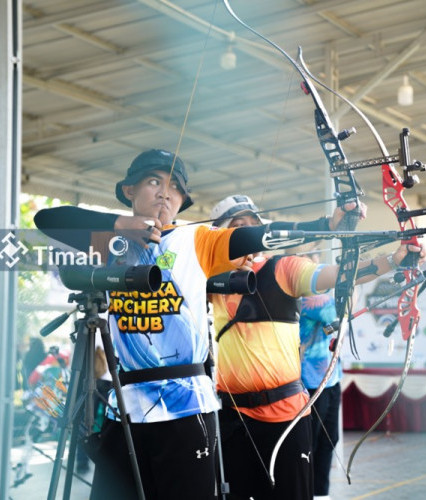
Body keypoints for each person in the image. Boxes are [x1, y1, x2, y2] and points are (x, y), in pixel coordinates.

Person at [34, 149, 321, 500]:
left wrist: (327, 226)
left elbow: (256, 237)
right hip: (124, 408)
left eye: (174, 187)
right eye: (153, 181)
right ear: (129, 191)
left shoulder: (195, 240)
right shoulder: (111, 243)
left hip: (186, 408)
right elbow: (47, 218)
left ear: (182, 200)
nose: (163, 193)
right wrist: (120, 225)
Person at [209, 194, 426, 500]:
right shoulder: (206, 280)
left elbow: (338, 276)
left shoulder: (283, 268)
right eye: (237, 226)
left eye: (253, 226)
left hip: (285, 415)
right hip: (232, 418)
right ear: (218, 236)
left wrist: (392, 260)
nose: (247, 233)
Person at [299, 248, 341, 500]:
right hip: (311, 383)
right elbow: (340, 310)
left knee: (329, 440)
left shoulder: (322, 297)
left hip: (330, 378)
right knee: (311, 445)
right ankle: (309, 493)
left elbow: (335, 324)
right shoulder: (310, 299)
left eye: (314, 259)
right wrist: (349, 276)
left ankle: (321, 495)